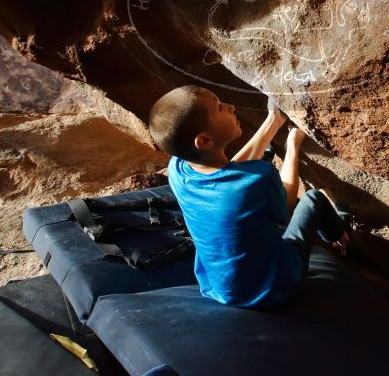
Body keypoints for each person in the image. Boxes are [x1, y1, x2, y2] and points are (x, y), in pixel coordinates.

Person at [148, 85, 352, 308]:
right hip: (273, 285)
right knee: (314, 199)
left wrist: (273, 121)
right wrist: (292, 145)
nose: (231, 106)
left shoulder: (178, 169)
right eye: (220, 108)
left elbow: (229, 171)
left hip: (219, 287)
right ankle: (340, 235)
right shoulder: (257, 179)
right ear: (205, 141)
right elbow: (287, 205)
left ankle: (273, 123)